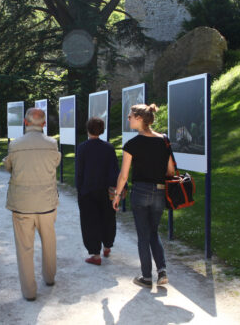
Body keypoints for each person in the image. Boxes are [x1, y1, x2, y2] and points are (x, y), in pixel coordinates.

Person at [112, 104, 176, 288]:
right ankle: (162, 271)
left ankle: (146, 277)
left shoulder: (132, 144)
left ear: (140, 118)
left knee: (143, 235)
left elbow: (123, 175)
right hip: (160, 191)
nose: (128, 118)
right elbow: (171, 170)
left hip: (140, 192)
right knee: (153, 232)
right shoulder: (164, 140)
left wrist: (117, 195)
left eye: (130, 116)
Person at [3, 108, 61, 301]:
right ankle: (50, 277)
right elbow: (56, 163)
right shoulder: (52, 144)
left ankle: (29, 292)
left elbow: (9, 166)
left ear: (26, 123)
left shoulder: (15, 145)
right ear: (44, 124)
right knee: (49, 242)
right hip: (46, 203)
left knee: (24, 248)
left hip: (22, 204)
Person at [75, 117, 119, 265]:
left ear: (87, 130)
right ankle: (107, 246)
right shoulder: (109, 148)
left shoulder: (82, 148)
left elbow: (79, 172)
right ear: (102, 130)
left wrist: (79, 189)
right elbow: (114, 171)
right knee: (108, 218)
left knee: (89, 221)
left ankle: (95, 254)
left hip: (88, 190)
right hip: (107, 190)